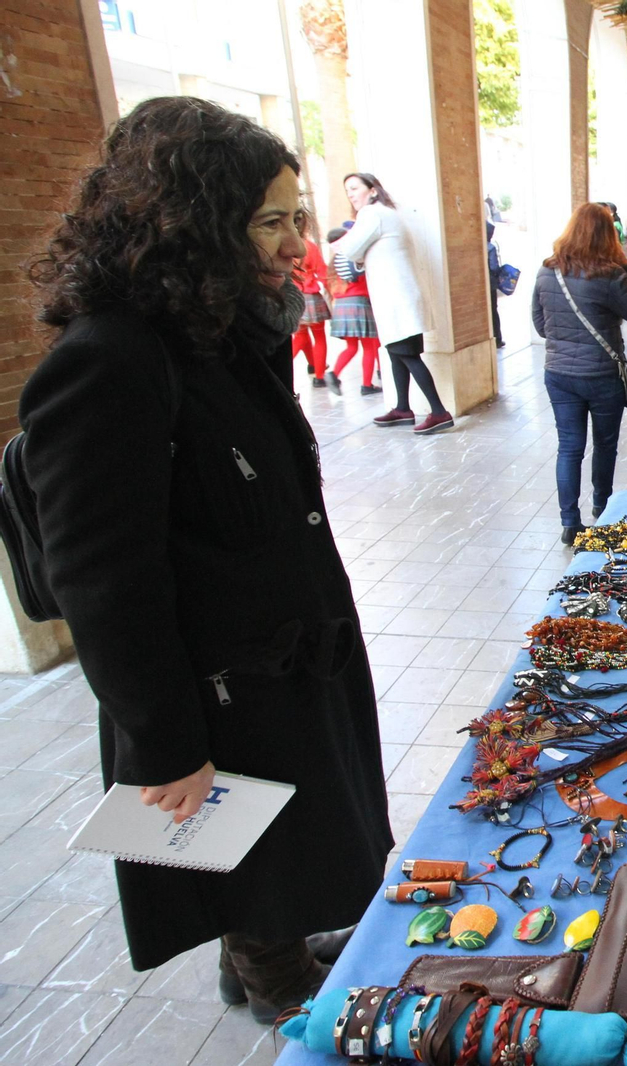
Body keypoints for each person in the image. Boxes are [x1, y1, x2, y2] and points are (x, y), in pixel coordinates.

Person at [21, 96, 390, 1024]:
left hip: (281, 658)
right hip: (215, 688)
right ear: (194, 226)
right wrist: (166, 745)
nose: (296, 242)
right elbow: (104, 580)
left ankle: (269, 947)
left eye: (297, 216)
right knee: (247, 844)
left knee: (292, 833)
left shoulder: (218, 327)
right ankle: (276, 984)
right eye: (270, 222)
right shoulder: (109, 361)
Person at [532, 203, 627, 545]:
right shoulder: (611, 276)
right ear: (608, 236)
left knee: (568, 447)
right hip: (601, 375)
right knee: (604, 445)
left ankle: (570, 523)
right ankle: (603, 510)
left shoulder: (547, 272)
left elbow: (541, 326)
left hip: (558, 374)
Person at [338, 172, 453, 434]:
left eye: (355, 188)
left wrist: (349, 250)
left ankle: (439, 412)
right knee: (396, 353)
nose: (351, 194)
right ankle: (402, 408)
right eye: (347, 191)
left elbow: (351, 250)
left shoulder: (372, 214)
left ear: (373, 190)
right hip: (399, 300)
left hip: (397, 301)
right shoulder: (386, 214)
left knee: (408, 356)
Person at [326, 227, 383, 396]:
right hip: (359, 302)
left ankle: (334, 374)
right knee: (369, 347)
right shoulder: (354, 257)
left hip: (342, 304)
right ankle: (366, 385)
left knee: (351, 347)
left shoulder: (335, 261)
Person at [290, 215, 331, 388]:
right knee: (319, 337)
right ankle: (319, 377)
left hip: (293, 295)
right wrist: (329, 290)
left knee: (300, 335)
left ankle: (284, 365)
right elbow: (322, 271)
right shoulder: (309, 247)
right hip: (311, 296)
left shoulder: (286, 245)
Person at [487, 219, 504, 349]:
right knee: (493, 311)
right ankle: (497, 339)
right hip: (491, 284)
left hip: (481, 286)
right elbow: (494, 267)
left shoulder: (478, 246)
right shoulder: (491, 247)